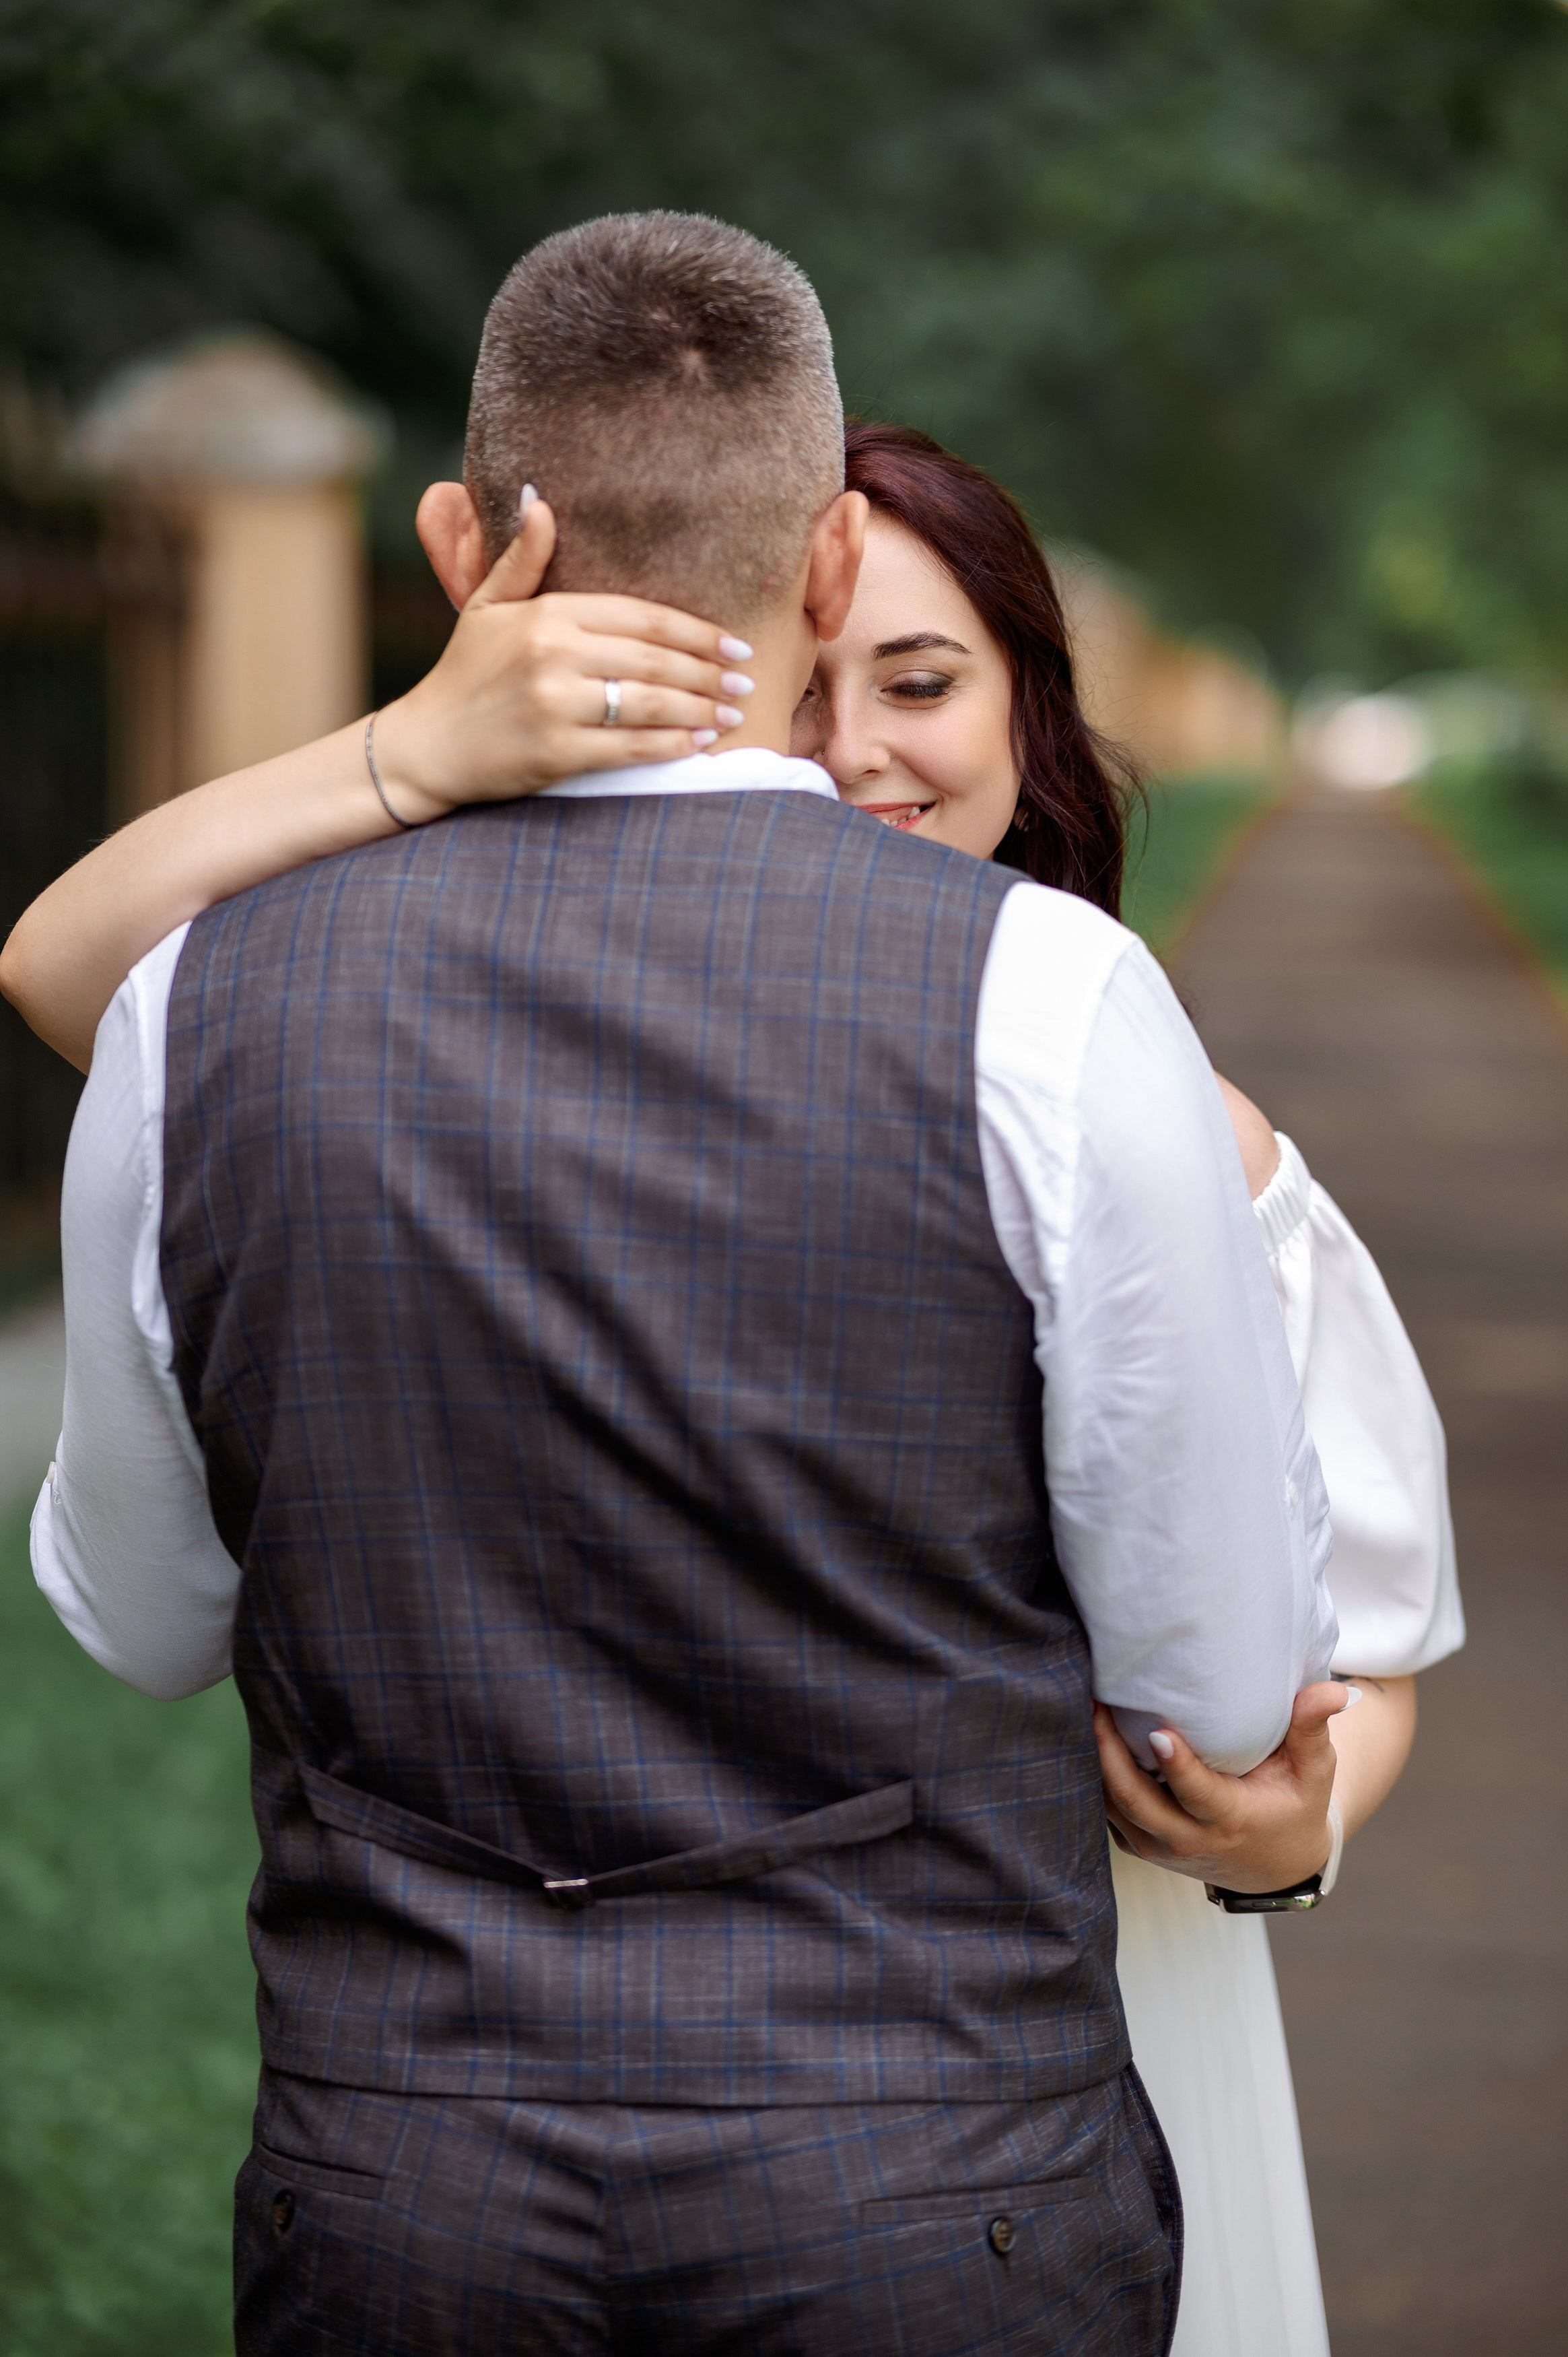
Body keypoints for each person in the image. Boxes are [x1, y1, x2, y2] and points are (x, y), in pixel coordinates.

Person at [0, 215, 1349, 2355]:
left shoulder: (199, 1010)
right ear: (830, 565)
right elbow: (1208, 1672)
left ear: (457, 546)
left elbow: (148, 1618)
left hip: (410, 2199)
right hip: (927, 2194)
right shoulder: (1051, 1000)